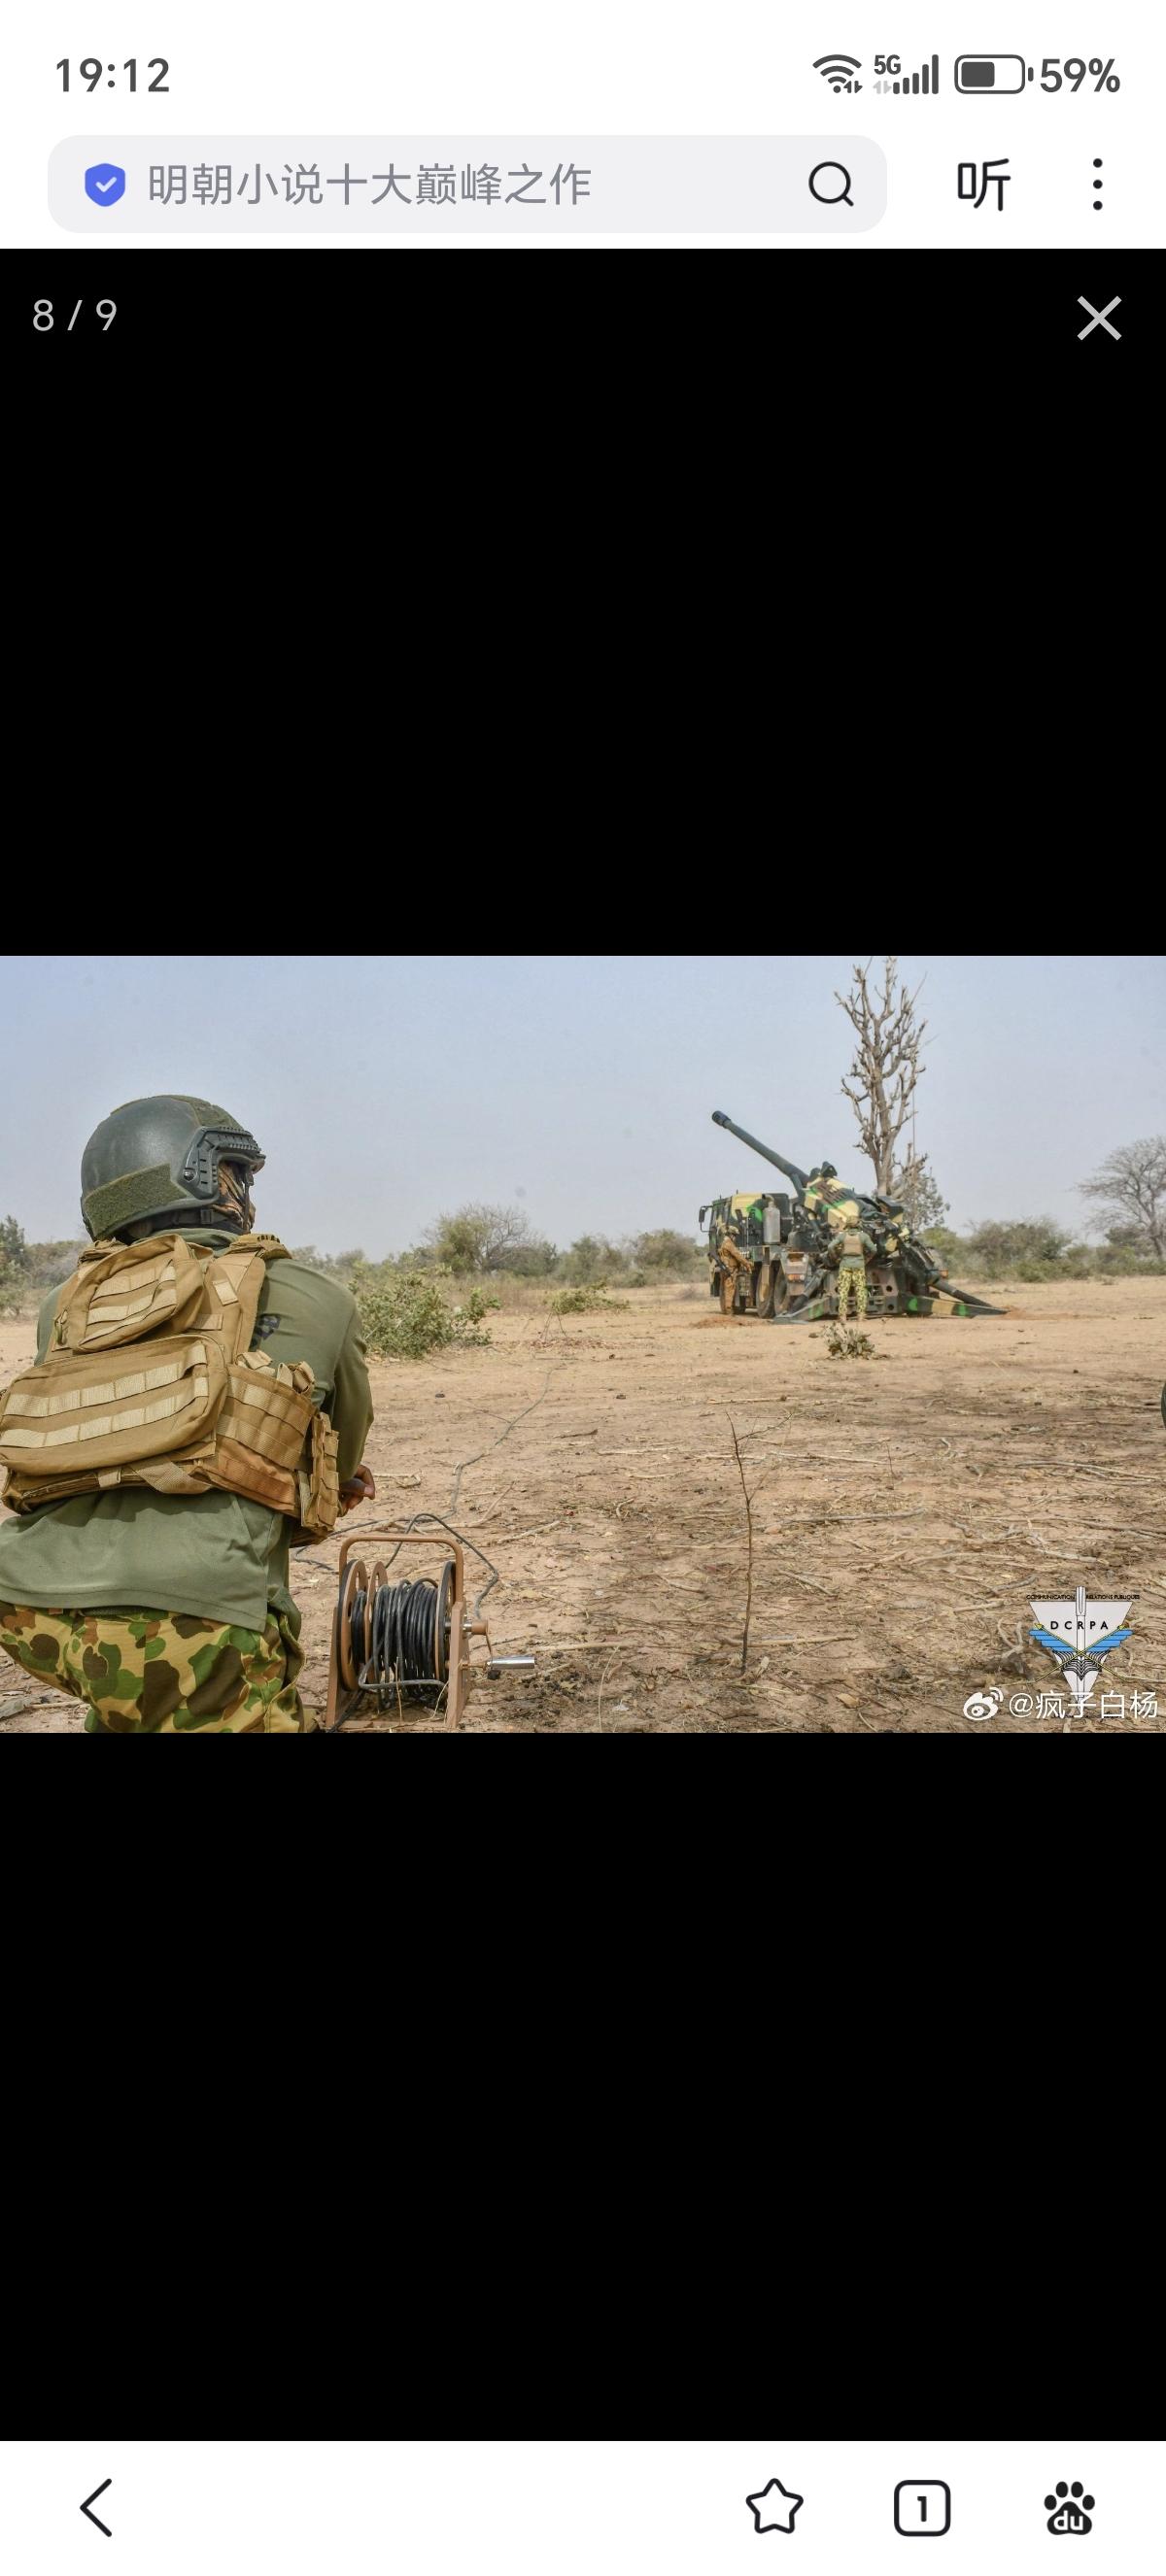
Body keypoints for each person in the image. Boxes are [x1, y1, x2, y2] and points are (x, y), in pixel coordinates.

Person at [0, 1096, 374, 1734]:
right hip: (199, 1613)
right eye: (238, 1173)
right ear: (211, 1178)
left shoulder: (64, 1304)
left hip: (31, 1603)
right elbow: (342, 1456)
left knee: (132, 1702)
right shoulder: (310, 1294)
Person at [834, 1219, 875, 1323]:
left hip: (845, 1265)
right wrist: (867, 1259)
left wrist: (836, 1259)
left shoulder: (842, 1236)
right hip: (859, 1265)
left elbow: (830, 1246)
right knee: (860, 1290)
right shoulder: (863, 1236)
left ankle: (842, 1316)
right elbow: (874, 1249)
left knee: (843, 1291)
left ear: (847, 1225)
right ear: (858, 1225)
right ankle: (861, 1316)